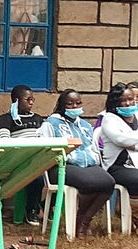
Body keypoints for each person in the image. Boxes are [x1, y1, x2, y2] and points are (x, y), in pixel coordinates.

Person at [38, 89, 115, 236]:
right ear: (62, 106)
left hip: (87, 165)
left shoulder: (85, 125)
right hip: (61, 166)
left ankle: (84, 220)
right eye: (70, 104)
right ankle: (80, 223)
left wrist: (92, 158)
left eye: (78, 103)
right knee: (90, 184)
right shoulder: (51, 123)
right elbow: (45, 149)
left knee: (109, 182)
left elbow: (93, 148)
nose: (75, 107)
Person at [0, 85, 44, 225]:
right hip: (19, 159)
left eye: (32, 99)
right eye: (27, 99)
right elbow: (4, 140)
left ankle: (47, 206)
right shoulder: (6, 119)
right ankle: (31, 210)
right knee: (37, 177)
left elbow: (46, 136)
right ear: (16, 100)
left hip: (39, 156)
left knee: (58, 174)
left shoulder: (38, 119)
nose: (31, 103)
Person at [101, 82, 138, 228]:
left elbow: (128, 140)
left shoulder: (136, 115)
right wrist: (130, 141)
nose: (128, 103)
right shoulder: (109, 118)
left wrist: (132, 142)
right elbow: (120, 139)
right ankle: (135, 218)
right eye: (124, 100)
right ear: (115, 102)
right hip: (116, 167)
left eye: (131, 99)